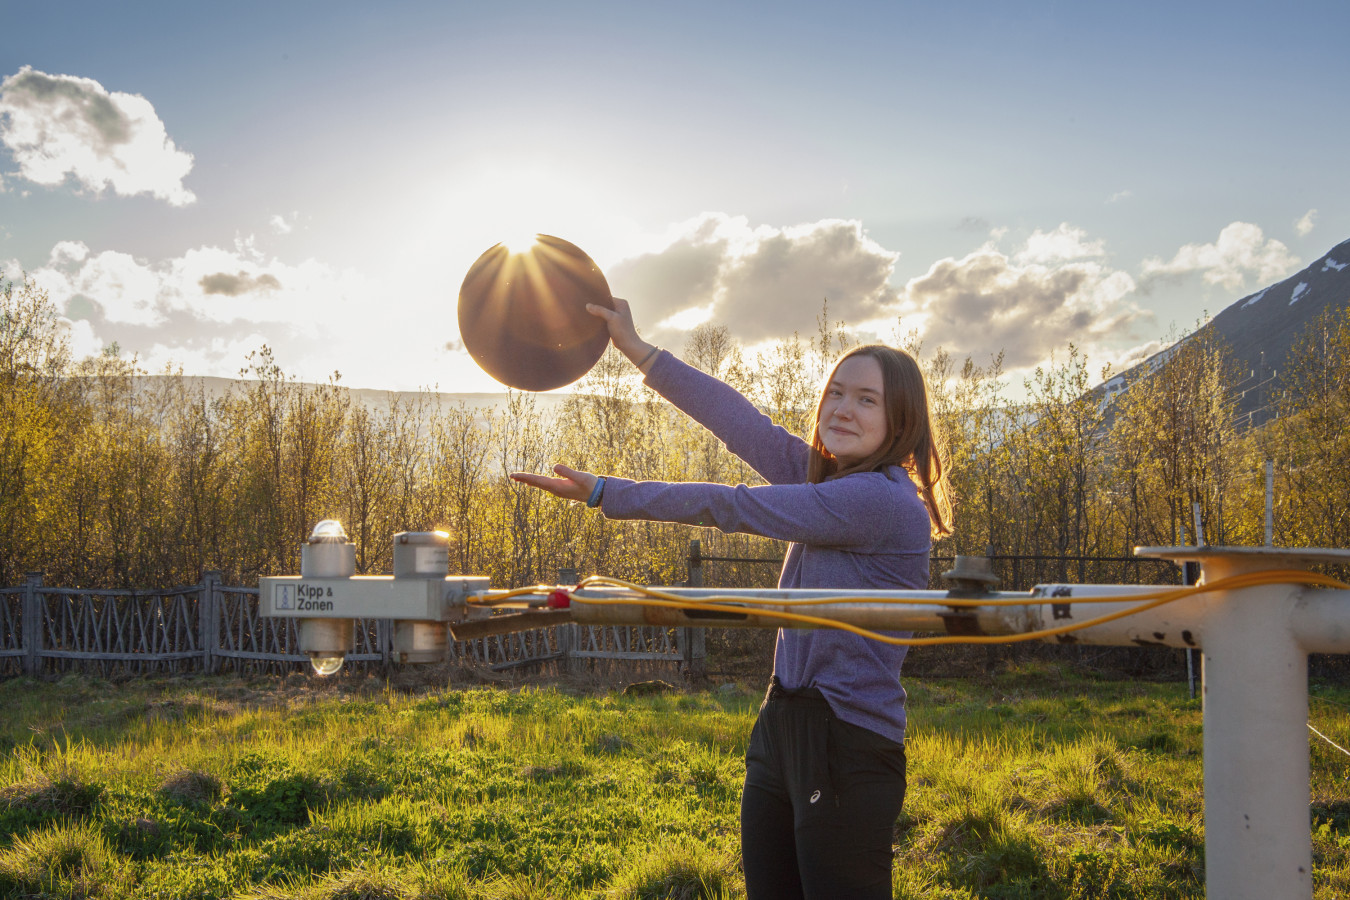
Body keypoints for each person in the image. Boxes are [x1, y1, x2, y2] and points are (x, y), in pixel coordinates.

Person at [511, 298, 952, 900]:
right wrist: (637, 349)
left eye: (867, 400)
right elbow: (739, 422)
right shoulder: (828, 479)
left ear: (900, 418)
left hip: (847, 741)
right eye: (837, 393)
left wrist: (610, 493)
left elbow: (732, 504)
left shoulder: (880, 502)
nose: (843, 409)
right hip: (781, 725)